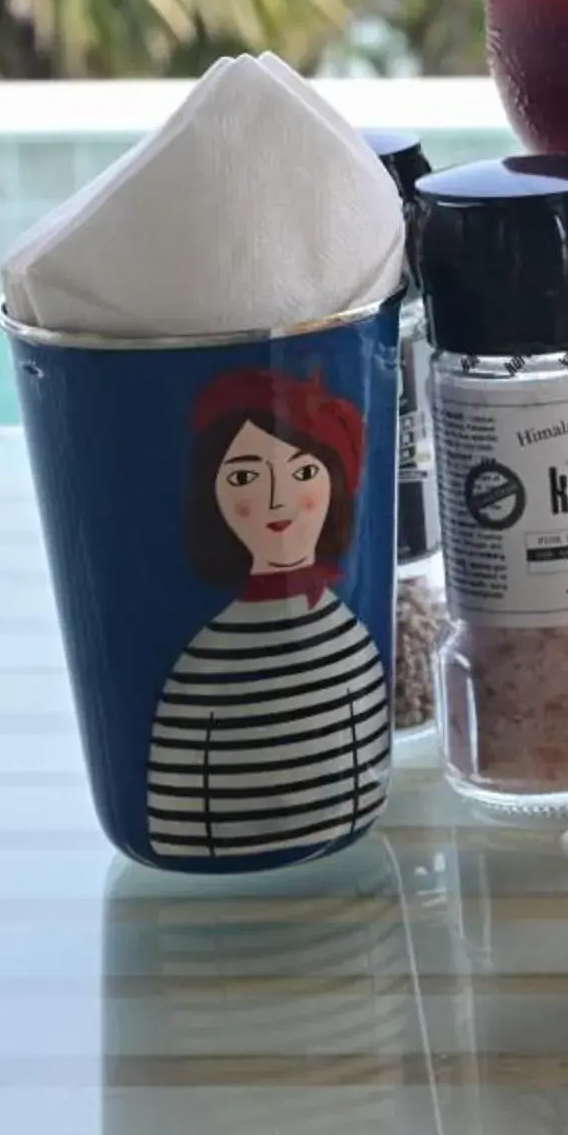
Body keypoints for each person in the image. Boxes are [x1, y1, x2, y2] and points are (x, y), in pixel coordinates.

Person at [147, 367, 390, 860]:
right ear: (212, 496)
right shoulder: (204, 664)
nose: (277, 501)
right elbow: (179, 811)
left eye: (303, 472)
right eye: (244, 477)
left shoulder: (350, 641)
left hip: (354, 869)